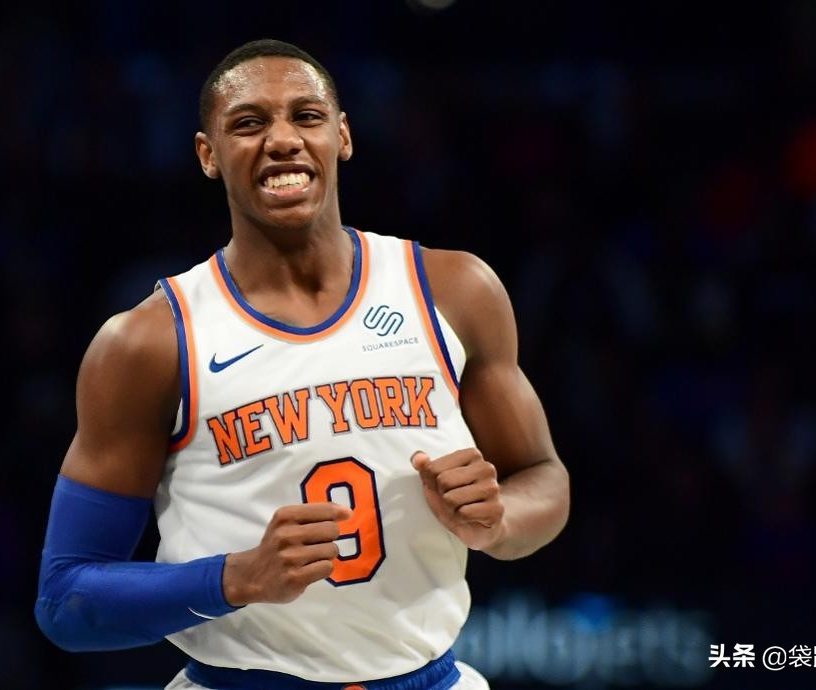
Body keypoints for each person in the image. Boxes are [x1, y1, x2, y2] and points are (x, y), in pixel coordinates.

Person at [35, 38, 570, 690]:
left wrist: (499, 520)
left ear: (342, 136)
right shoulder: (148, 342)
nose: (283, 140)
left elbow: (544, 478)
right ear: (208, 154)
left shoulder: (454, 290)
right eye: (249, 123)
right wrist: (236, 578)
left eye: (306, 116)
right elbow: (66, 600)